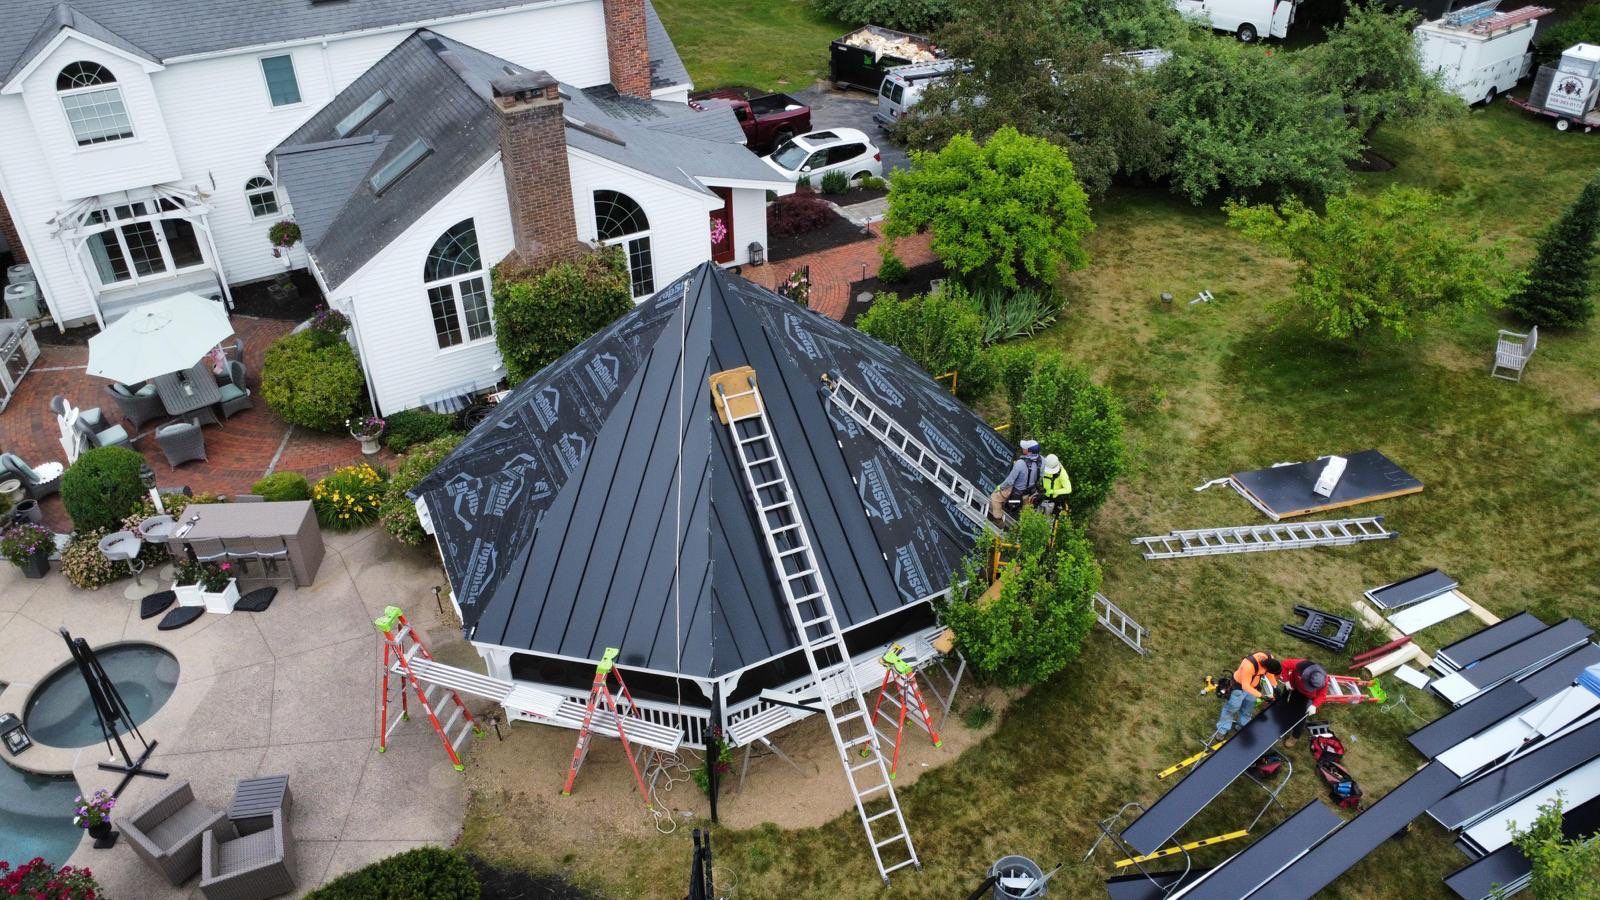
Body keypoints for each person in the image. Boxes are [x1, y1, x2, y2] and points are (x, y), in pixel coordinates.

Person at [1213, 651, 1282, 740]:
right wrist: (1261, 695)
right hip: (1238, 687)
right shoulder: (1249, 665)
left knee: (1248, 708)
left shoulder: (1270, 659)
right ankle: (1222, 729)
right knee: (1232, 708)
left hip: (1254, 686)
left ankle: (1242, 725)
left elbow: (1269, 674)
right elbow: (1245, 686)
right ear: (1266, 667)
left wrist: (1274, 686)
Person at [989, 439, 1042, 522]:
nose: (1022, 448)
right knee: (1026, 514)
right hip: (1030, 492)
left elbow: (1010, 481)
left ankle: (998, 521)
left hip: (1017, 493)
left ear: (1029, 452)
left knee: (995, 498)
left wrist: (1000, 487)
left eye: (1025, 448)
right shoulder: (1041, 461)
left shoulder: (1020, 463)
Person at [1281, 657, 1329, 747]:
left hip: (1306, 696)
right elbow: (1284, 664)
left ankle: (1294, 737)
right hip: (1292, 685)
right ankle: (1281, 718)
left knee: (1300, 717)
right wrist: (1286, 680)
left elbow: (1322, 695)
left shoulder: (1323, 681)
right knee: (1284, 703)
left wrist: (1314, 705)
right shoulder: (1300, 665)